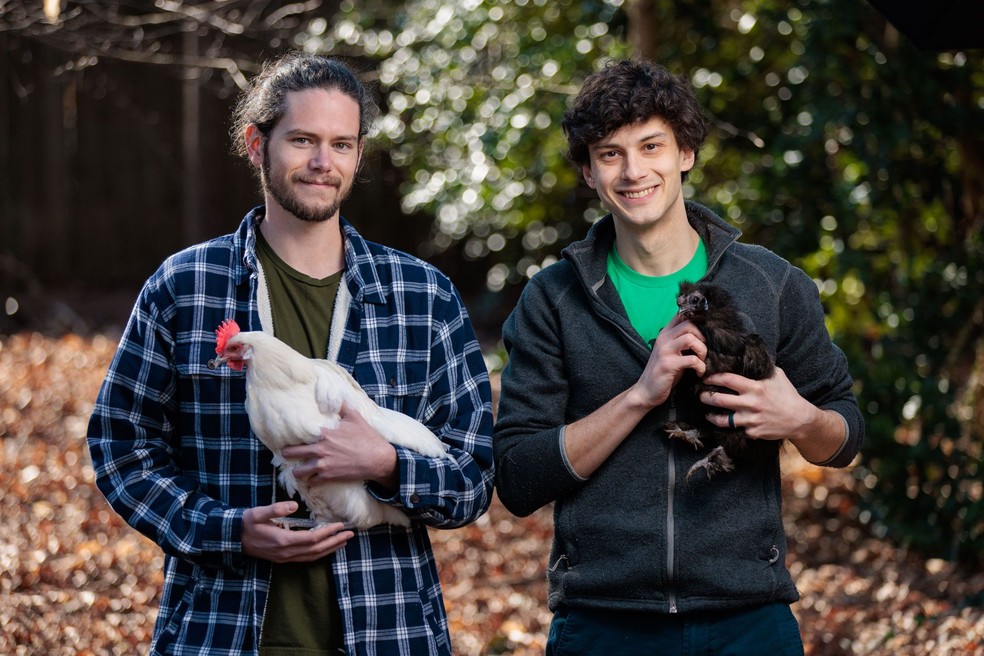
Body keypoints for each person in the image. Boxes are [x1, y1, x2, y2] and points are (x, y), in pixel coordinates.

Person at [86, 52, 494, 656]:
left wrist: (387, 464)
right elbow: (122, 449)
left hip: (389, 626)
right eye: (302, 140)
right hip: (221, 631)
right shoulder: (186, 286)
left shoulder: (422, 297)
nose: (323, 163)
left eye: (342, 144)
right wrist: (227, 532)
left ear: (358, 154)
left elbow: (475, 474)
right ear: (257, 145)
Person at [493, 59, 864, 655]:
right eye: (610, 154)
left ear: (685, 153)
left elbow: (844, 436)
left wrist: (800, 419)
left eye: (651, 145)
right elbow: (516, 478)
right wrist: (641, 394)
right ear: (588, 172)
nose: (634, 170)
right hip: (603, 622)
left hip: (748, 617)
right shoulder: (553, 300)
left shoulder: (772, 284)